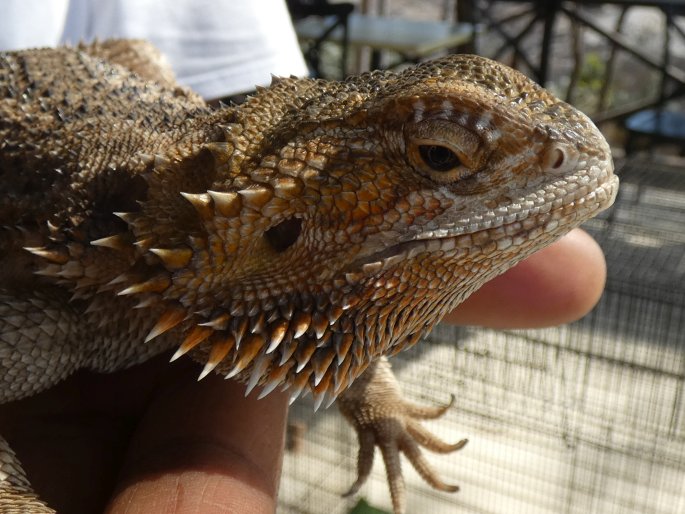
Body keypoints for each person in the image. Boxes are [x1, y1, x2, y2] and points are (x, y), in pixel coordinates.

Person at [0, 229, 607, 513]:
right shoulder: (80, 314)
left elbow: (320, 291)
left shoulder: (278, 248)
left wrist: (376, 397)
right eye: (441, 157)